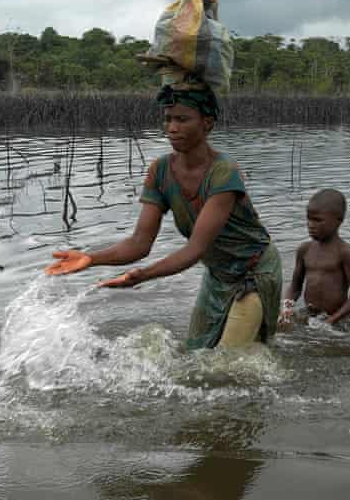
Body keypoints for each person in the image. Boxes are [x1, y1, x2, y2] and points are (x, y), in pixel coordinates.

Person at [45, 83, 282, 351]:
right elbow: (139, 243)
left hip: (253, 271)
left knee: (226, 365)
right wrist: (90, 258)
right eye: (168, 119)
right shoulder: (160, 171)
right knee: (194, 352)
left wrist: (142, 276)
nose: (172, 127)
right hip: (218, 274)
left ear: (207, 123)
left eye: (182, 119)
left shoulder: (224, 173)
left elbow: (195, 249)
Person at [279, 189, 350, 326]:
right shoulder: (304, 250)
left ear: (338, 221)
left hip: (338, 320)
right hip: (311, 317)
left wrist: (332, 320)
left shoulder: (344, 252)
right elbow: (295, 287)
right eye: (308, 218)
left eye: (317, 220)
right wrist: (286, 307)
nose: (310, 225)